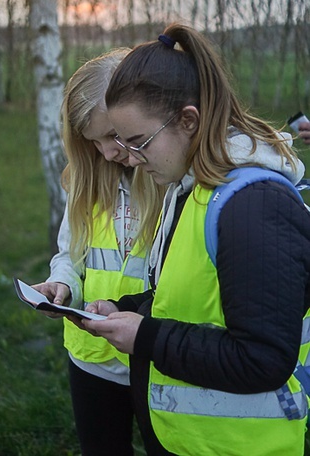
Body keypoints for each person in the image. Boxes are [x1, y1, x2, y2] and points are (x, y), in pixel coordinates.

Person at [68, 24, 310, 456]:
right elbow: (187, 300)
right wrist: (127, 311)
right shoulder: (192, 189)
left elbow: (262, 359)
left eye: (139, 142)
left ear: (188, 119)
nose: (133, 160)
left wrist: (146, 338)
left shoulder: (254, 206)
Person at [32, 49, 164, 456]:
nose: (107, 153)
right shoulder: (85, 181)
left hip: (155, 357)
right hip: (91, 357)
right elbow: (70, 253)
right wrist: (63, 284)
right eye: (94, 142)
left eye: (113, 136)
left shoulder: (169, 178)